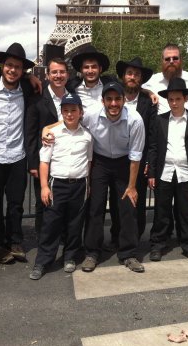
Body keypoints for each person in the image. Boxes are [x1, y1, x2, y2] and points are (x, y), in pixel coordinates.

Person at [44, 82, 146, 272]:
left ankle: (128, 253)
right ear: (103, 101)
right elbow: (70, 120)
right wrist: (47, 129)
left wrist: (132, 186)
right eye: (109, 99)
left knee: (128, 206)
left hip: (124, 162)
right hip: (100, 161)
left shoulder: (135, 119)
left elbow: (135, 155)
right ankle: (92, 252)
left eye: (117, 99)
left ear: (124, 100)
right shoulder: (91, 114)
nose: (113, 103)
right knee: (95, 206)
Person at [0, 43, 36, 264]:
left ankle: (15, 240)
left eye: (18, 67)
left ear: (24, 71)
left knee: (16, 203)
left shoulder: (28, 88)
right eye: (9, 66)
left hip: (16, 155)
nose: (12, 70)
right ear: (2, 66)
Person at [29, 93, 93, 280]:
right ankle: (42, 261)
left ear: (81, 112)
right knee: (51, 224)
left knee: (75, 223)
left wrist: (88, 184)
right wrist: (43, 186)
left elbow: (89, 161)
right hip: (57, 184)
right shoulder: (52, 134)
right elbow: (44, 162)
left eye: (74, 110)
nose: (70, 114)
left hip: (79, 184)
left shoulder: (88, 136)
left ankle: (70, 256)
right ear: (61, 112)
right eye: (66, 110)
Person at [147, 78, 188, 263]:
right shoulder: (160, 121)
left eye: (178, 99)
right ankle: (158, 244)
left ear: (185, 99)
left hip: (186, 173)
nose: (174, 103)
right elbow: (153, 148)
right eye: (171, 99)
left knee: (186, 212)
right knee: (161, 211)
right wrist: (151, 173)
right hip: (164, 172)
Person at [107, 57, 156, 246]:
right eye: (129, 73)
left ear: (141, 79)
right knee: (117, 199)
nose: (132, 77)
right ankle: (116, 234)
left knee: (138, 200)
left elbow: (152, 136)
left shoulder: (148, 102)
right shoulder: (113, 96)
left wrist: (149, 162)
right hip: (116, 158)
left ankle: (135, 237)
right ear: (122, 76)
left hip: (139, 159)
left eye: (137, 74)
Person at [26, 58, 69, 238]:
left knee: (65, 197)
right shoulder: (36, 99)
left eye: (62, 72)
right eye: (54, 72)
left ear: (67, 74)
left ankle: (63, 234)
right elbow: (30, 132)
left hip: (67, 156)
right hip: (44, 157)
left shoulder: (73, 95)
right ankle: (44, 236)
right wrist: (33, 162)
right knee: (43, 197)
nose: (58, 75)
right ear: (47, 75)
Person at [142, 43, 188, 137]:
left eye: (175, 58)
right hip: (161, 139)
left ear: (181, 60)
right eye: (167, 59)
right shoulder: (152, 81)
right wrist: (148, 91)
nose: (171, 61)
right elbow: (134, 89)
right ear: (162, 61)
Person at [66, 45, 115, 111]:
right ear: (81, 70)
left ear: (100, 69)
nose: (90, 71)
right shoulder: (71, 88)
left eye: (94, 67)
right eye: (86, 67)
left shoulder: (111, 85)